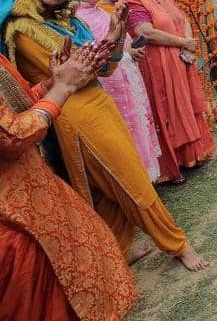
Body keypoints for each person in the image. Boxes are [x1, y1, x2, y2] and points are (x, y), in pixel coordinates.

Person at [1, 0, 209, 271]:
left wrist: (115, 37)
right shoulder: (22, 28)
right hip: (75, 115)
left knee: (107, 185)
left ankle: (120, 247)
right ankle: (178, 244)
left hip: (99, 105)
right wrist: (100, 53)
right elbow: (77, 74)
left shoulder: (67, 22)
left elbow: (105, 69)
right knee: (131, 181)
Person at [0, 38, 138, 320]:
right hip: (15, 220)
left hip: (33, 189)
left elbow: (17, 106)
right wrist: (63, 88)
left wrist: (52, 84)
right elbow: (12, 135)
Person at [121, 0, 215, 183]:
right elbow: (145, 33)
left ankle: (191, 156)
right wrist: (183, 43)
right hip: (157, 64)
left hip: (180, 59)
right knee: (166, 109)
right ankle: (171, 165)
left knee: (184, 104)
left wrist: (189, 46)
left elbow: (183, 20)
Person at [75, 0, 162, 181]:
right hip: (108, 86)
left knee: (137, 127)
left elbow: (118, 42)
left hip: (126, 80)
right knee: (121, 134)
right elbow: (93, 53)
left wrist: (130, 50)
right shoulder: (76, 19)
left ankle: (144, 177)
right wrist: (125, 53)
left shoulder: (102, 12)